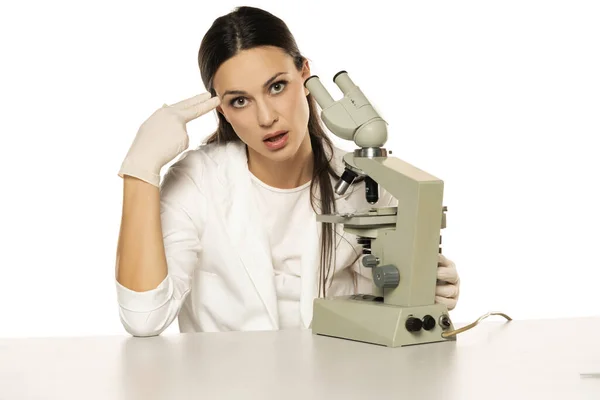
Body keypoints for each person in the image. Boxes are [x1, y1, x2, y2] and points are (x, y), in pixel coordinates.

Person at [114, 6, 460, 337]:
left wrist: (429, 289)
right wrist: (141, 170)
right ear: (221, 110)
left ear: (304, 73)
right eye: (239, 100)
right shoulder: (197, 182)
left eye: (276, 86)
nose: (266, 117)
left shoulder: (365, 181)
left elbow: (385, 304)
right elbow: (145, 318)